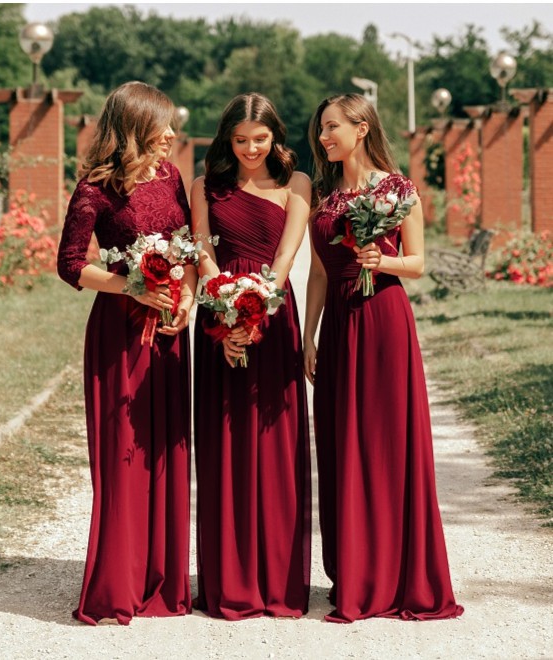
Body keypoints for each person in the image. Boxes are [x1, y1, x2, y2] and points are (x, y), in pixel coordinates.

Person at [304, 93, 464, 623]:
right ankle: (356, 571)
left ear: (362, 126)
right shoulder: (325, 197)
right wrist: (308, 335)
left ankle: (398, 574)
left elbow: (418, 264)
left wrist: (385, 258)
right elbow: (321, 272)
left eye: (332, 127)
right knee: (342, 441)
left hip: (383, 320)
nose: (324, 137)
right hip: (340, 324)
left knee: (387, 442)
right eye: (321, 129)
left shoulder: (398, 190)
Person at [57, 81, 196, 626]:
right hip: (119, 337)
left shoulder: (172, 176)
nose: (171, 134)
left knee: (164, 451)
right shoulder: (95, 190)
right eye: (161, 125)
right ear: (135, 127)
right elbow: (70, 264)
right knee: (124, 456)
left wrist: (183, 300)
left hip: (168, 333)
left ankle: (162, 579)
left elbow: (184, 242)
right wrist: (129, 287)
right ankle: (117, 581)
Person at [191, 93, 312, 620]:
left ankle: (278, 579)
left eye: (259, 139)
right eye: (239, 140)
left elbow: (286, 253)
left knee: (274, 442)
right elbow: (202, 249)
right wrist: (225, 312)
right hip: (218, 314)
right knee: (225, 440)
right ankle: (229, 579)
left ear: (275, 137)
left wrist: (256, 308)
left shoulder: (297, 184)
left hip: (273, 310)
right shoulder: (204, 185)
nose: (250, 149)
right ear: (226, 138)